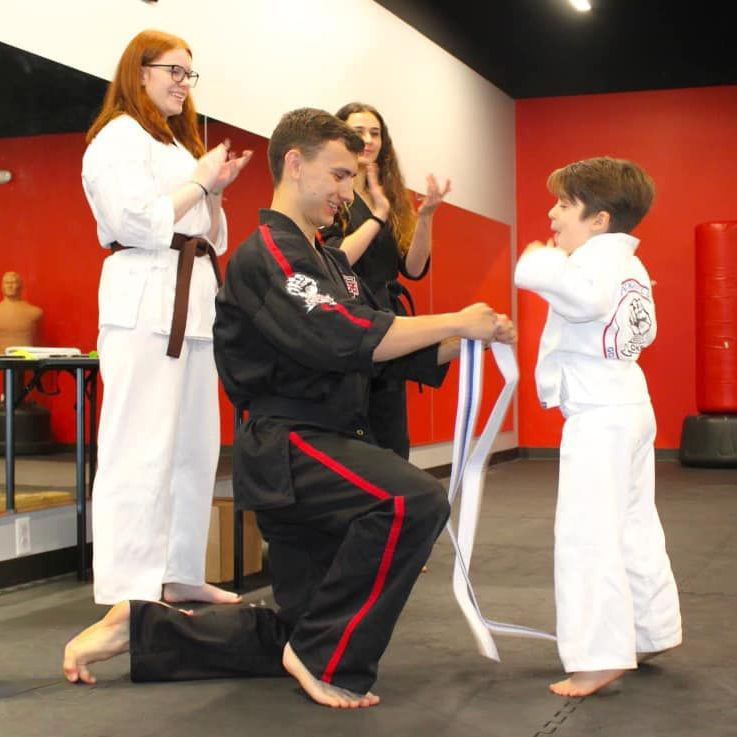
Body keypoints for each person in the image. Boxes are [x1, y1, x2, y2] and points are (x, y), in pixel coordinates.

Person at [63, 107, 516, 709]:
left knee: (298, 624)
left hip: (325, 443)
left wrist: (468, 339)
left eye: (353, 178)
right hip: (291, 446)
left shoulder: (327, 262)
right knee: (413, 499)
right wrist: (456, 318)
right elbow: (344, 334)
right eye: (337, 175)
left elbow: (384, 350)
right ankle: (327, 660)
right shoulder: (269, 256)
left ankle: (143, 625)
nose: (346, 192)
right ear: (294, 165)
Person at [81, 30, 252, 605]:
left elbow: (210, 235)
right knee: (138, 447)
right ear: (140, 72)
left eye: (188, 73)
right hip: (145, 303)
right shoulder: (117, 139)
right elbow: (136, 221)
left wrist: (217, 190)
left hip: (193, 306)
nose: (183, 83)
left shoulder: (177, 147)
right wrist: (200, 180)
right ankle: (128, 586)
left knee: (193, 449)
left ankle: (178, 570)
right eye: (173, 71)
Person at [514, 157, 682, 697]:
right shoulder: (627, 265)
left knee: (587, 533)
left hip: (601, 416)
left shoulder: (596, 266)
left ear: (601, 219)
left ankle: (597, 656)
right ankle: (649, 629)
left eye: (565, 205)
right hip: (628, 406)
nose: (552, 213)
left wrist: (537, 262)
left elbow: (584, 300)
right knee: (632, 523)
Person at [320, 102, 451, 459]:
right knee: (355, 435)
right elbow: (338, 258)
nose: (368, 140)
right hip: (351, 319)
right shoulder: (333, 195)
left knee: (392, 436)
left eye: (375, 133)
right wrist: (376, 218)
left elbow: (413, 267)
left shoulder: (391, 195)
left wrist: (425, 218)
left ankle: (394, 511)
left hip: (389, 319)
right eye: (359, 131)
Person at [0, 271, 43, 353]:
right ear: (2, 286)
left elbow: (39, 341)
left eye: (13, 282)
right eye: (7, 283)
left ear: (20, 286)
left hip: (25, 362)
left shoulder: (34, 312)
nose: (10, 286)